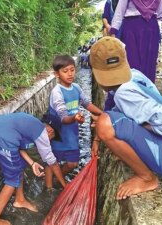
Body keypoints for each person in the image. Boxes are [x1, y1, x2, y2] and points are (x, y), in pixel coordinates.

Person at [90, 37, 162, 200]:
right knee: (109, 122)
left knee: (104, 124)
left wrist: (135, 127)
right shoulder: (134, 76)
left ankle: (147, 178)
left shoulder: (124, 93)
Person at [0, 112, 67, 225]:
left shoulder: (33, 126)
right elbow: (52, 163)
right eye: (52, 139)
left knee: (19, 165)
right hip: (3, 137)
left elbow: (18, 148)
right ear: (50, 131)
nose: (50, 141)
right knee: (12, 180)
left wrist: (32, 163)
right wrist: (65, 186)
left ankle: (20, 200)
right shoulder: (42, 134)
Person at [45, 55, 103, 190]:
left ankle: (55, 178)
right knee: (51, 161)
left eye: (72, 70)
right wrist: (75, 118)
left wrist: (102, 114)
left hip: (72, 134)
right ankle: (48, 188)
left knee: (73, 163)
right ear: (56, 74)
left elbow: (87, 104)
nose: (70, 74)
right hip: (58, 135)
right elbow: (64, 118)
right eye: (65, 71)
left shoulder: (76, 87)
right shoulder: (57, 92)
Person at [109, 0, 162, 82]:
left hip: (151, 31)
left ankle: (145, 93)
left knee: (148, 66)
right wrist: (113, 34)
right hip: (131, 30)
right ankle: (131, 92)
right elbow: (119, 13)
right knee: (131, 64)